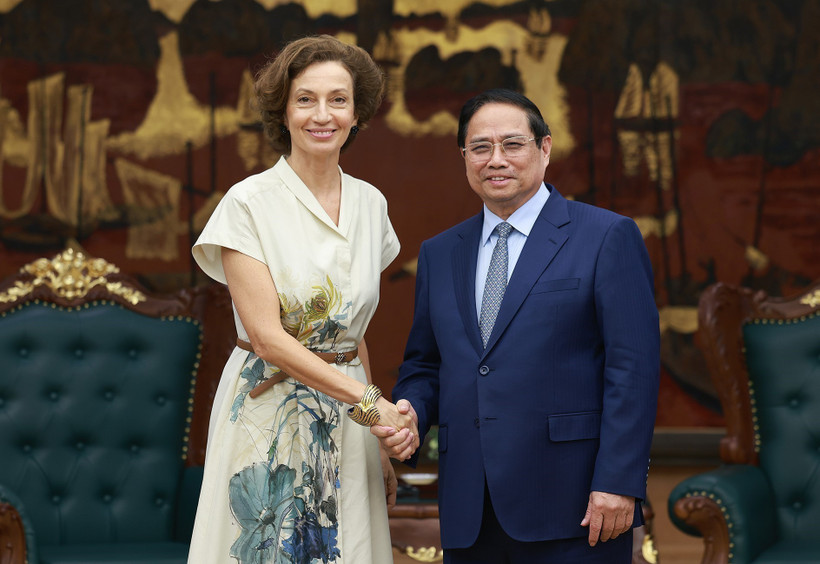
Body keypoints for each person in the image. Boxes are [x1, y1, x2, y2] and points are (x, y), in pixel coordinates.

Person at [374, 88, 660, 563]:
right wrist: (412, 414)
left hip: (577, 506)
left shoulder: (606, 236)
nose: (496, 160)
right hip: (470, 507)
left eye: (513, 144)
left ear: (544, 149)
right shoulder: (441, 252)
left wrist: (617, 481)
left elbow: (633, 369)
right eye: (480, 147)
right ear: (464, 158)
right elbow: (425, 364)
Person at [188, 35, 415, 564]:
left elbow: (351, 334)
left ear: (357, 114)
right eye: (305, 99)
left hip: (352, 413)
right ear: (283, 111)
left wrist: (379, 435)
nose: (323, 115)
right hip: (268, 410)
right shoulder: (248, 203)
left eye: (338, 99)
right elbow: (267, 338)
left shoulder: (371, 203)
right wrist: (371, 404)